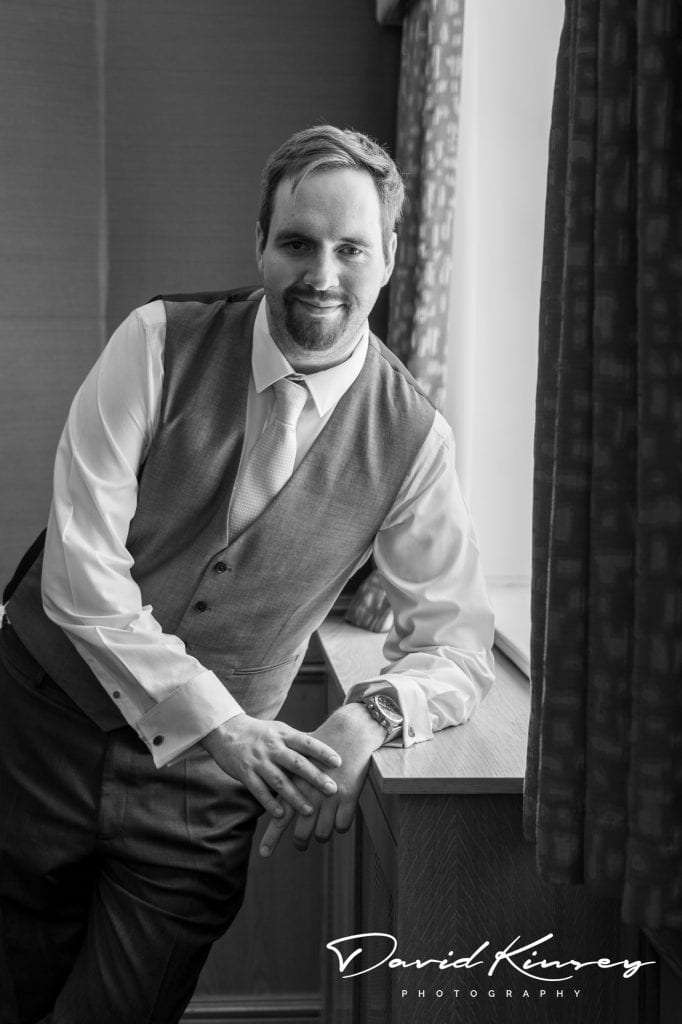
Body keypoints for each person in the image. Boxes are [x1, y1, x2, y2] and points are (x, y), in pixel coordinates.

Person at [0, 125, 495, 1023]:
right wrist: (220, 723)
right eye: (298, 242)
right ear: (259, 244)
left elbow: (459, 648)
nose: (323, 273)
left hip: (201, 805)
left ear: (389, 260)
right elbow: (78, 575)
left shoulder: (416, 437)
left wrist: (367, 715)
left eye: (351, 249)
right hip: (35, 734)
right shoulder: (154, 341)